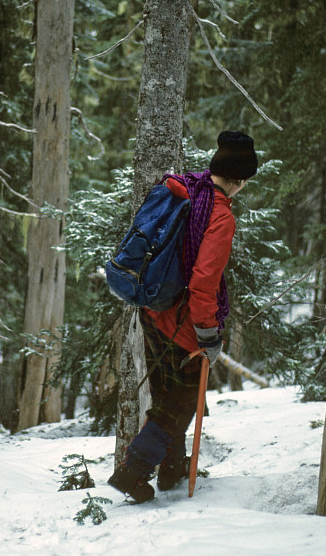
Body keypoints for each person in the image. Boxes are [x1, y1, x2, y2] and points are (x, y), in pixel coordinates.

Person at [108, 131, 259, 502]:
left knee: (165, 394)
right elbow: (204, 283)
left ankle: (170, 471)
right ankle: (133, 472)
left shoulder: (185, 188)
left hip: (153, 310)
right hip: (183, 323)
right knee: (180, 403)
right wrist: (208, 333)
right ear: (239, 179)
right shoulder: (219, 215)